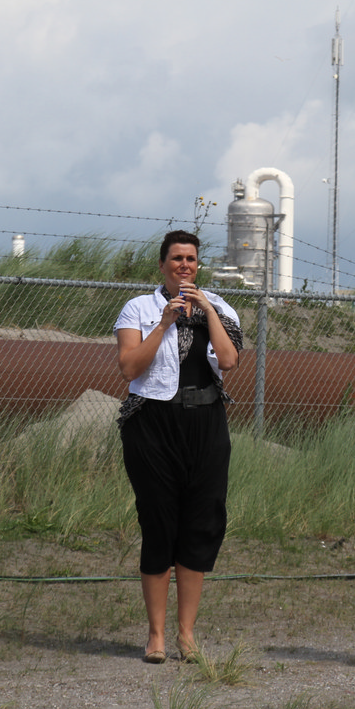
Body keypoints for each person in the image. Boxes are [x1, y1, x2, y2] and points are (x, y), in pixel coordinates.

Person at [115, 229, 242, 664]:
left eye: (190, 259)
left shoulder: (219, 308)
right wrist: (165, 322)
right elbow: (129, 367)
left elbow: (229, 361)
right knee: (159, 523)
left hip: (205, 423)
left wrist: (207, 310)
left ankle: (186, 634)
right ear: (162, 265)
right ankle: (156, 636)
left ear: (198, 265)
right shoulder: (139, 308)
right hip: (152, 423)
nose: (183, 265)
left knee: (201, 524)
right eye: (176, 258)